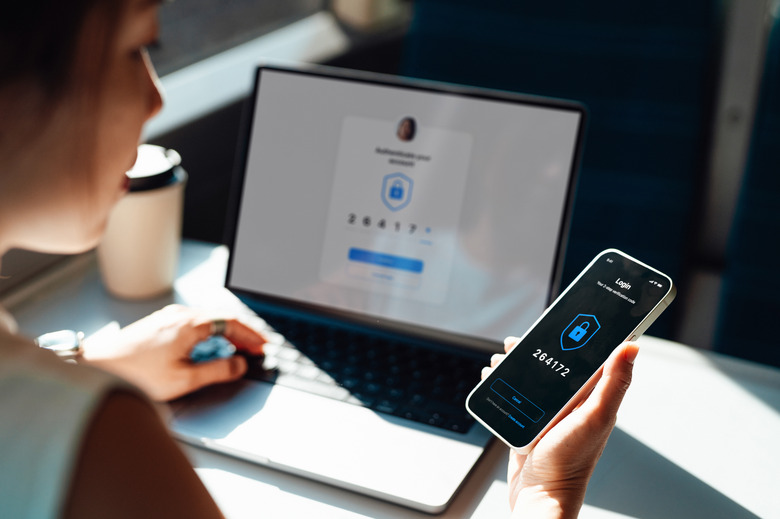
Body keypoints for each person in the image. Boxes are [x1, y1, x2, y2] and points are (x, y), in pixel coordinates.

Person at [0, 1, 637, 517]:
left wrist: (86, 360)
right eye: (136, 47)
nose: (155, 98)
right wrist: (544, 496)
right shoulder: (100, 445)